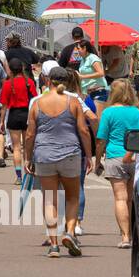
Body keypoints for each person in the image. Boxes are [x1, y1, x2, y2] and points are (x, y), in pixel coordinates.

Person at [24, 68, 92, 258]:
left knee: (50, 199)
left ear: (47, 80)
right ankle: (69, 232)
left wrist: (28, 157)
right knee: (72, 196)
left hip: (44, 154)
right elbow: (83, 130)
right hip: (70, 153)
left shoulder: (37, 103)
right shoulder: (73, 102)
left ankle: (53, 244)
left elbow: (30, 134)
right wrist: (89, 156)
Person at [95, 79, 139, 248]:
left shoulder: (108, 113)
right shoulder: (138, 113)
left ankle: (125, 236)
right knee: (130, 198)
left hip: (115, 156)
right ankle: (131, 233)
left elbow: (101, 140)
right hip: (135, 157)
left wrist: (97, 161)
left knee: (120, 198)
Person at [0, 56, 38, 186]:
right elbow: (35, 101)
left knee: (16, 147)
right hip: (28, 115)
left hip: (14, 115)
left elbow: (4, 106)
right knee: (28, 146)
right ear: (22, 68)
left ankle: (19, 176)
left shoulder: (7, 84)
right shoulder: (30, 82)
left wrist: (1, 121)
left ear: (10, 69)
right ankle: (28, 174)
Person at [72, 40, 108, 113]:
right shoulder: (83, 60)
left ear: (84, 48)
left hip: (98, 91)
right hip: (87, 92)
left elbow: (101, 73)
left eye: (78, 48)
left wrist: (82, 77)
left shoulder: (93, 58)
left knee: (98, 116)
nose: (77, 51)